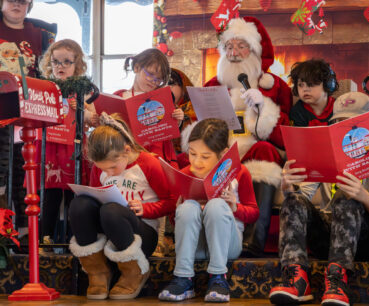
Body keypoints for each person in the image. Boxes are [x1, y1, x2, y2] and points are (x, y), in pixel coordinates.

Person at [269, 92, 369, 306]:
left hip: (365, 241)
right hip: (328, 237)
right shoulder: (327, 155)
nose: (346, 130)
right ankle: (298, 280)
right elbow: (301, 201)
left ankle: (338, 282)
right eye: (339, 123)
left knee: (346, 196)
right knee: (293, 200)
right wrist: (288, 187)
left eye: (351, 123)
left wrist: (362, 195)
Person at [205, 16, 292, 256]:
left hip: (255, 150)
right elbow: (198, 131)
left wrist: (264, 107)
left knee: (265, 150)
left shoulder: (273, 86)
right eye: (228, 46)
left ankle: (253, 242)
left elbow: (285, 139)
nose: (233, 53)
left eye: (240, 46)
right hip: (221, 152)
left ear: (255, 50)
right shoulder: (211, 86)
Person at [68, 112, 176, 300]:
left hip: (142, 233)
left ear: (126, 150)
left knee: (111, 211)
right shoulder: (99, 169)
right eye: (103, 169)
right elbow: (93, 200)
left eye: (112, 167)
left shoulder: (148, 163)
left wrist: (146, 208)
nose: (108, 173)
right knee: (79, 204)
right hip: (109, 229)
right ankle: (98, 272)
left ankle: (134, 272)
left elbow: (172, 201)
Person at [158, 118, 259, 302]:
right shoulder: (186, 174)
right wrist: (178, 211)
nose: (197, 162)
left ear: (223, 154)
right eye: (192, 153)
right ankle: (182, 278)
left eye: (205, 156)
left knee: (216, 205)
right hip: (194, 246)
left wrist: (234, 207)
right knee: (188, 208)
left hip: (227, 246)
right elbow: (176, 221)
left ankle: (218, 278)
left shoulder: (239, 172)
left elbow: (254, 213)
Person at [0, 0, 56, 240]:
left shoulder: (41, 34)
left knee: (23, 177)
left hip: (29, 112)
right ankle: (3, 233)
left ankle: (24, 238)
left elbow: (49, 72)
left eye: (24, 1)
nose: (18, 4)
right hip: (1, 111)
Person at [38, 39, 98, 249]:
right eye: (55, 62)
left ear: (77, 65)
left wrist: (81, 107)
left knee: (73, 193)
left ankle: (77, 239)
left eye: (66, 62)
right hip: (51, 147)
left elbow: (94, 119)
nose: (60, 67)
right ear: (49, 64)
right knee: (51, 193)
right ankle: (45, 238)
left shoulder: (82, 90)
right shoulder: (45, 87)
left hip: (73, 148)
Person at [114, 48, 184, 169]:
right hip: (124, 159)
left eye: (159, 79)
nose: (153, 82)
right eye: (150, 74)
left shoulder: (162, 100)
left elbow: (168, 130)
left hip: (155, 159)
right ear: (136, 68)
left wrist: (177, 119)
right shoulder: (119, 97)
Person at [289, 59, 339, 127]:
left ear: (328, 84)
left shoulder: (340, 107)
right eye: (300, 85)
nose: (305, 89)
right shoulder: (297, 112)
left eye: (311, 84)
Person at [169, 68, 196, 169]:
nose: (166, 88)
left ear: (183, 86)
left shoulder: (196, 107)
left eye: (171, 83)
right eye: (162, 85)